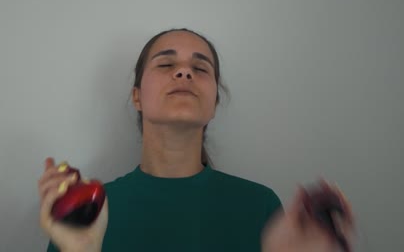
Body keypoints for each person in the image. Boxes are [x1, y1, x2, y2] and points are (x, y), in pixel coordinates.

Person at [37, 28, 354, 252]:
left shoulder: (261, 206)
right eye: (166, 64)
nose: (184, 73)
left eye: (200, 68)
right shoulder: (87, 213)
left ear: (214, 103)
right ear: (137, 97)